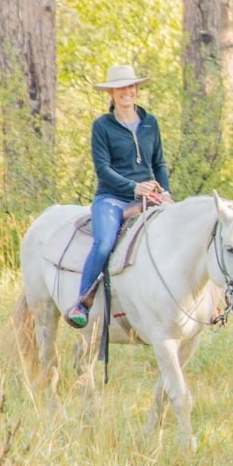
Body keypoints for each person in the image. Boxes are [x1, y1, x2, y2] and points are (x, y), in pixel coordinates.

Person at [66, 65, 172, 327]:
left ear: (136, 90)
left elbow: (158, 163)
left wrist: (166, 191)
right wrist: (133, 187)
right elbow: (103, 169)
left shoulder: (150, 123)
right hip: (112, 197)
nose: (127, 91)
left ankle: (198, 302)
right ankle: (83, 302)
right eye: (121, 88)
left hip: (151, 196)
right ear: (111, 93)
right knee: (103, 242)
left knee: (179, 234)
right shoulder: (102, 126)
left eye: (131, 86)